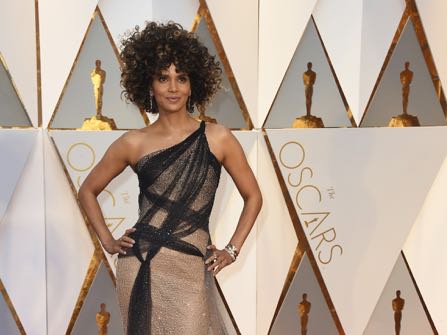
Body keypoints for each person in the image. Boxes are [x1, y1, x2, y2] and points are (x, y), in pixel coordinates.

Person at [78, 21, 262, 334]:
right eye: (163, 78)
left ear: (194, 84)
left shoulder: (218, 138)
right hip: (140, 264)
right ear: (149, 84)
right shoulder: (133, 142)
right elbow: (87, 191)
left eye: (181, 78)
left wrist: (232, 250)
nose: (173, 87)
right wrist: (108, 242)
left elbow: (254, 197)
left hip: (190, 267)